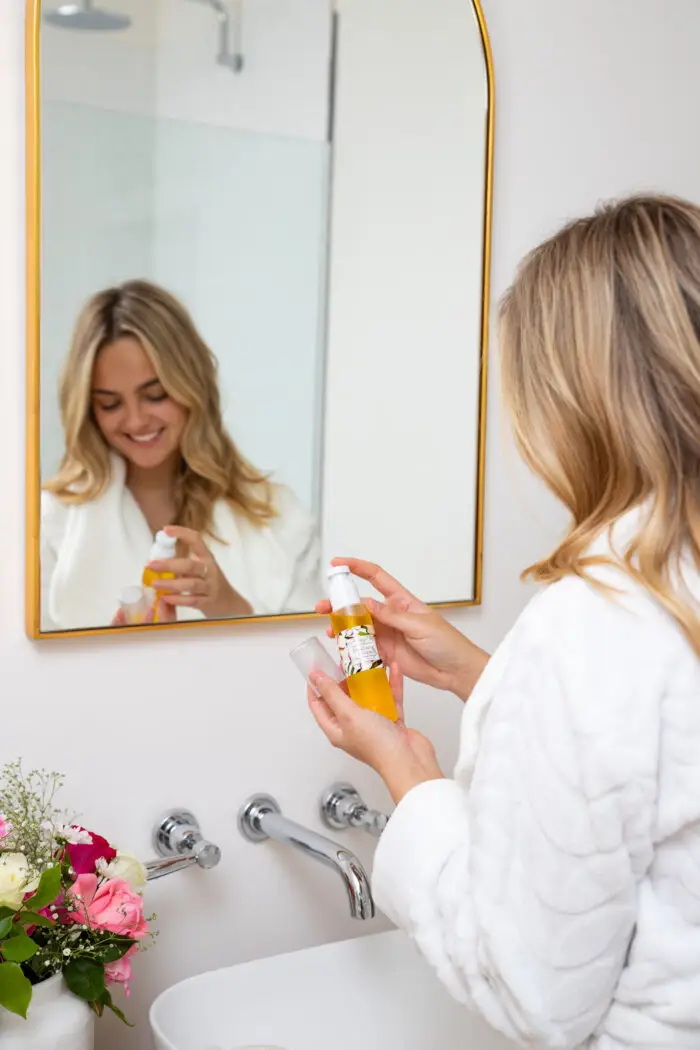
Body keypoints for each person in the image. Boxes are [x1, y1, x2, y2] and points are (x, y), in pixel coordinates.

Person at [310, 195, 700, 1048]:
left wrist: (409, 777)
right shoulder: (661, 599)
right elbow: (662, 765)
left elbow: (534, 995)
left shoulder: (596, 623)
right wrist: (482, 675)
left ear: (571, 401)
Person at [41, 279, 321, 631]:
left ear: (192, 384)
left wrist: (229, 607)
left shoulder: (278, 516)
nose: (137, 420)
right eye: (110, 403)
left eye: (155, 395)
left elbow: (313, 664)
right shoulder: (51, 522)